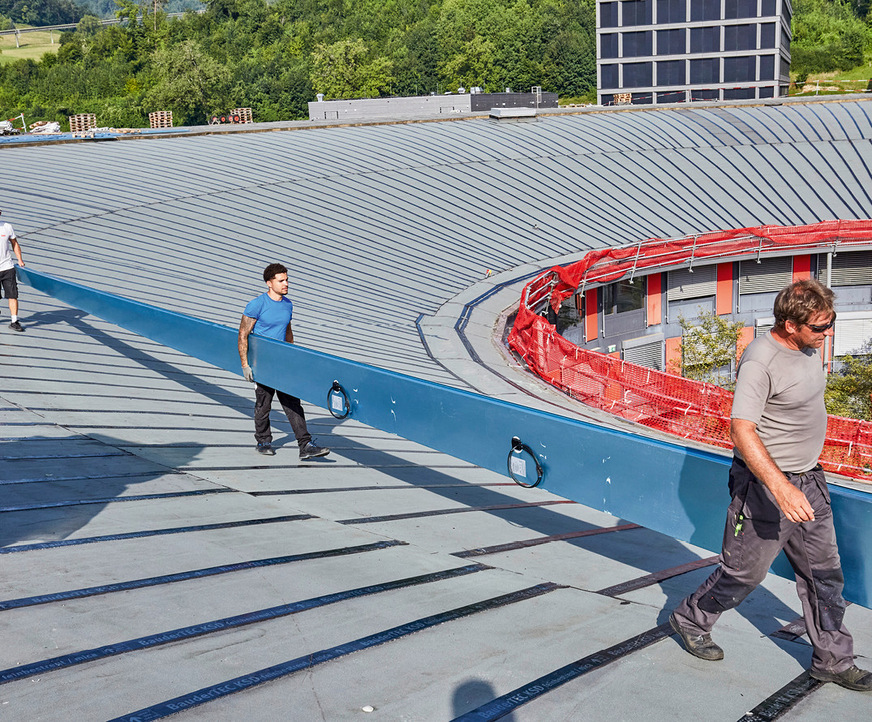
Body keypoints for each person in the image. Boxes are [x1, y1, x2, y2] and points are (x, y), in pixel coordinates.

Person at [670, 279, 871, 692]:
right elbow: (741, 430)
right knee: (744, 573)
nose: (826, 333)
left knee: (825, 575)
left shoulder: (808, 348)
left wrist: (802, 476)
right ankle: (690, 618)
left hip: (810, 479)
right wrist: (781, 488)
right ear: (789, 324)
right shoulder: (761, 359)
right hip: (766, 487)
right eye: (819, 327)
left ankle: (832, 660)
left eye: (829, 323)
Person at [238, 263, 330, 460]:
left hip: (282, 363)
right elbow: (243, 334)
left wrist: (292, 356)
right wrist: (245, 365)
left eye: (287, 279)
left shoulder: (288, 304)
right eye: (281, 280)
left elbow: (288, 332)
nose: (286, 283)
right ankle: (263, 441)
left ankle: (305, 445)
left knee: (293, 403)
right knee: (264, 404)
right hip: (263, 363)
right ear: (269, 283)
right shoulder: (256, 305)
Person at [0, 209, 25, 332]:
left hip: (7, 267)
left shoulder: (7, 227)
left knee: (13, 295)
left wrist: (20, 260)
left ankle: (14, 321)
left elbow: (14, 243)